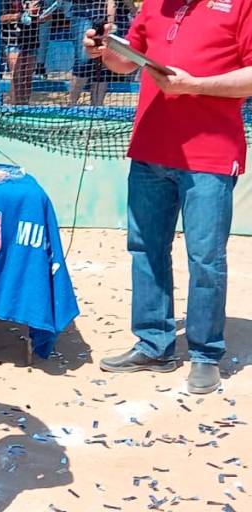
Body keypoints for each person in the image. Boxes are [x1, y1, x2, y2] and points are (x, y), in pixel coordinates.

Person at [85, 0, 252, 393]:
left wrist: (194, 85)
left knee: (206, 256)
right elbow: (129, 61)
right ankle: (154, 343)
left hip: (209, 154)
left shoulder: (241, 5)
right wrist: (106, 51)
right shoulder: (155, 5)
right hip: (151, 147)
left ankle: (205, 353)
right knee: (145, 247)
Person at [0, 0, 49, 104]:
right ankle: (15, 106)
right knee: (16, 75)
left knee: (27, 76)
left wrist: (40, 17)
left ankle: (25, 105)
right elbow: (0, 18)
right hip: (12, 40)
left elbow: (48, 16)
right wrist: (18, 16)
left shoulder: (37, 1)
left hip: (31, 40)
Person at [68, 0, 115, 105]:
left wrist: (110, 23)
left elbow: (111, 1)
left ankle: (97, 106)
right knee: (83, 60)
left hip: (102, 15)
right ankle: (71, 105)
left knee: (103, 60)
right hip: (82, 13)